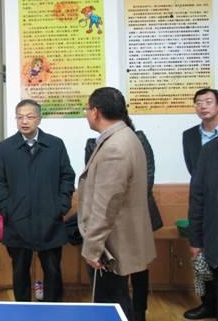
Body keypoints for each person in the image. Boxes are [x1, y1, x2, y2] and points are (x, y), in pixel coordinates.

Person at [78, 87, 156, 321]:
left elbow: (106, 205)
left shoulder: (114, 147)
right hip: (122, 237)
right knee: (119, 301)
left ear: (95, 112)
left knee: (110, 304)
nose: (86, 114)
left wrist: (93, 248)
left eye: (87, 109)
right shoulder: (127, 136)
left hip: (110, 246)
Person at [0, 99, 75, 302]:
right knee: (20, 271)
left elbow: (67, 176)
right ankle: (22, 310)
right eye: (19, 117)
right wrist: (6, 208)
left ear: (39, 119)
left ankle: (53, 310)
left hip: (50, 220)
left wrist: (61, 206)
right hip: (17, 220)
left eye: (29, 117)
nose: (24, 121)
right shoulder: (5, 148)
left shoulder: (55, 145)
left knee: (52, 270)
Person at [182, 88, 218, 320]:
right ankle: (207, 304)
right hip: (204, 197)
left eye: (208, 101)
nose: (203, 106)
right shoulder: (190, 136)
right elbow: (193, 170)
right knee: (202, 258)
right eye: (198, 102)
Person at [188, 133, 218, 321]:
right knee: (209, 277)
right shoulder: (209, 150)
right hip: (213, 238)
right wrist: (196, 240)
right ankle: (209, 306)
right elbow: (197, 198)